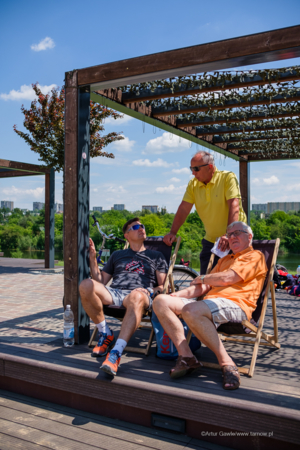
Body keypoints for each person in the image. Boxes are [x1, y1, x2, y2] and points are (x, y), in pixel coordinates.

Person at [153, 221, 267, 390]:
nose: (232, 237)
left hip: (236, 305)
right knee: (160, 301)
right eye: (229, 234)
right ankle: (186, 357)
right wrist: (175, 295)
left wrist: (203, 277)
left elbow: (227, 278)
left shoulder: (255, 256)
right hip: (209, 304)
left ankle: (226, 362)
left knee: (191, 310)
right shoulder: (225, 259)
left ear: (249, 237)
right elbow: (204, 287)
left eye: (237, 233)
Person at [79, 217, 168, 376]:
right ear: (126, 235)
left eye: (142, 225)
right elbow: (100, 281)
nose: (141, 228)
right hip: (115, 292)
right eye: (135, 227)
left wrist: (151, 291)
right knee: (86, 284)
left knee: (136, 296)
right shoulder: (117, 255)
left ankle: (115, 353)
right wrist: (92, 258)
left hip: (140, 295)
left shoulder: (157, 256)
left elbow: (162, 286)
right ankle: (105, 332)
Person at [163, 151, 247, 274]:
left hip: (236, 238)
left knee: (234, 282)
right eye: (191, 168)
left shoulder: (227, 177)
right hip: (211, 241)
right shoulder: (193, 184)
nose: (193, 173)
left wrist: (230, 234)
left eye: (196, 169)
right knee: (205, 282)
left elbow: (234, 205)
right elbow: (183, 209)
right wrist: (172, 232)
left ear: (210, 167)